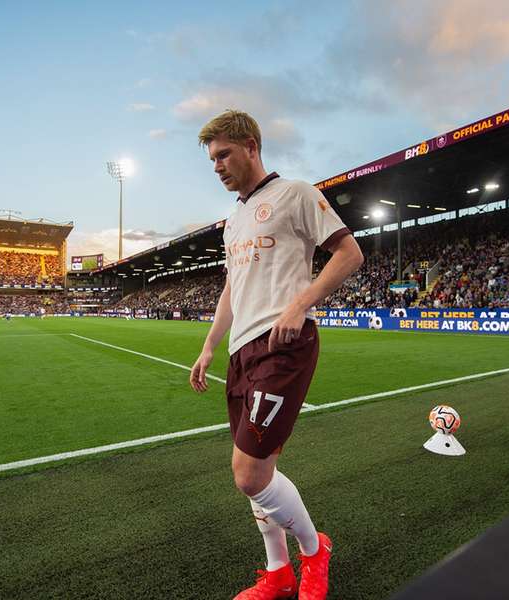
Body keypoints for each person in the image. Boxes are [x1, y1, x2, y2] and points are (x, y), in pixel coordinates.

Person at [189, 110, 364, 600]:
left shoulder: (297, 194)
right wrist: (208, 347)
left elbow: (350, 254)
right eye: (212, 159)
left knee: (248, 474)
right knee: (263, 469)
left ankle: (314, 552)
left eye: (223, 154)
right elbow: (232, 287)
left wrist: (300, 304)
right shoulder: (233, 220)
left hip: (283, 344)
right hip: (243, 352)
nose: (217, 166)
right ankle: (278, 572)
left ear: (250, 145)